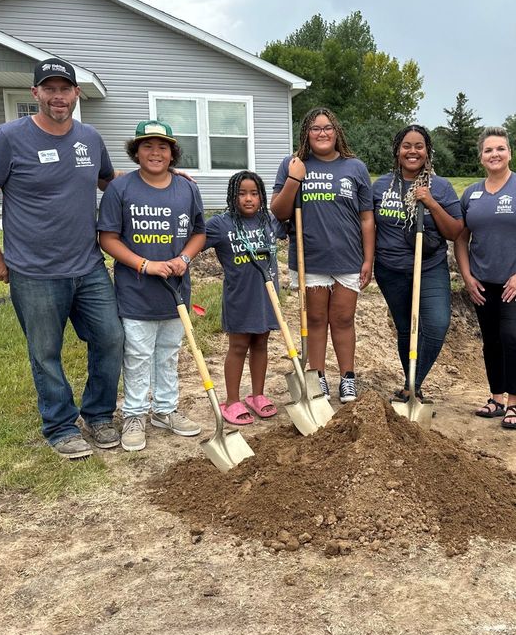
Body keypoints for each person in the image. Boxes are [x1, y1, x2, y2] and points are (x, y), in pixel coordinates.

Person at [0, 57, 124, 460]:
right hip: (34, 271)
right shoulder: (7, 138)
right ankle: (59, 426)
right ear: (35, 93)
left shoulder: (90, 138)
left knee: (111, 338)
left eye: (65, 88)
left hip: (88, 265)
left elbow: (110, 181)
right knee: (45, 351)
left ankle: (99, 414)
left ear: (76, 93)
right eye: (50, 88)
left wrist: (163, 175)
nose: (58, 96)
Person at [97, 120, 206, 452]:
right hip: (136, 292)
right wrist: (145, 264)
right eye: (147, 146)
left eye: (162, 147)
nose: (155, 153)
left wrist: (183, 260)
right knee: (138, 354)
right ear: (136, 152)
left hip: (174, 292)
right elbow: (107, 238)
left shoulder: (187, 189)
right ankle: (133, 414)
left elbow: (199, 233)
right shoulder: (122, 189)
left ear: (172, 153)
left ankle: (165, 409)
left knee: (169, 353)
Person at [270, 107, 374, 403]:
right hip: (310, 258)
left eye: (327, 127)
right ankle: (318, 378)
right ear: (306, 133)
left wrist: (369, 258)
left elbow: (367, 218)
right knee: (314, 319)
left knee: (343, 319)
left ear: (336, 131)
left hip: (347, 257)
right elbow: (278, 211)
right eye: (315, 128)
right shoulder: (293, 164)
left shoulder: (354, 168)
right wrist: (294, 179)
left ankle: (347, 378)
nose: (322, 133)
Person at [455, 126, 516, 430]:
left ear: (509, 153)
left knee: (512, 337)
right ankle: (496, 397)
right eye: (488, 150)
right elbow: (460, 239)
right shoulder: (471, 193)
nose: (494, 154)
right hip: (484, 283)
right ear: (481, 157)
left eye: (500, 148)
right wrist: (467, 277)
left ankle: (514, 402)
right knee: (492, 341)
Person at [371, 124, 463, 402]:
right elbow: (368, 226)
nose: (413, 151)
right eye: (406, 146)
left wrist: (431, 203)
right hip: (390, 270)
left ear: (427, 151)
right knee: (406, 328)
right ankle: (412, 387)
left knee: (435, 325)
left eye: (419, 146)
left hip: (429, 267)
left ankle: (412, 383)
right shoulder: (380, 186)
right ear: (397, 151)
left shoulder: (441, 186)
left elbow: (455, 231)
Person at [197, 171, 285, 425]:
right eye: (242, 193)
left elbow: (289, 223)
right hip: (239, 297)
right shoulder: (220, 224)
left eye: (254, 193)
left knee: (261, 344)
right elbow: (195, 240)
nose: (248, 199)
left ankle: (257, 395)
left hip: (267, 297)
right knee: (238, 346)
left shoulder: (269, 221)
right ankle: (232, 400)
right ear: (232, 196)